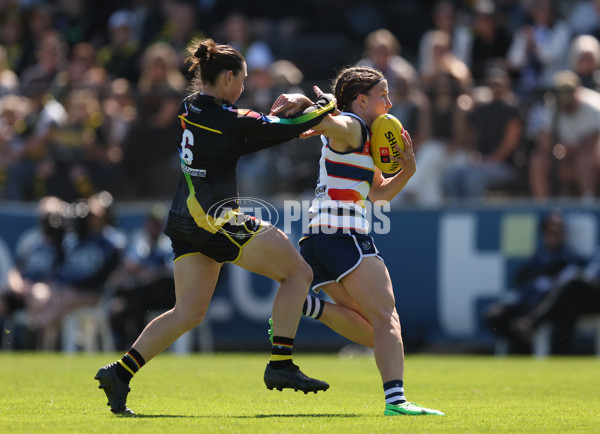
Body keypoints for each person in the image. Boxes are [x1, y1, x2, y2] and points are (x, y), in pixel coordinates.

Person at [94, 38, 336, 415]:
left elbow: (235, 144)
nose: (243, 89)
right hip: (215, 220)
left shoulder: (192, 108)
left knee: (188, 311)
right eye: (240, 81)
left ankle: (120, 373)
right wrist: (325, 104)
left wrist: (277, 128)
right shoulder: (228, 117)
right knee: (298, 274)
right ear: (227, 77)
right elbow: (288, 126)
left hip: (183, 222)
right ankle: (281, 364)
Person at [271, 65, 444, 416]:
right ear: (362, 100)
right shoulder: (355, 125)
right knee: (388, 319)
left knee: (371, 331)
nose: (390, 102)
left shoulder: (365, 135)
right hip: (344, 235)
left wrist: (407, 171)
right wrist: (311, 104)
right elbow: (328, 123)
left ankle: (304, 306)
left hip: (319, 238)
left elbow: (378, 196)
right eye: (383, 95)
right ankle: (396, 402)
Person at [485, 210, 584, 353]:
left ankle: (525, 338)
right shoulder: (538, 256)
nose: (553, 235)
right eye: (550, 230)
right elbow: (520, 277)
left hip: (546, 306)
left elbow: (566, 282)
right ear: (543, 233)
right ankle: (521, 343)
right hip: (527, 300)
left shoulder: (567, 257)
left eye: (558, 231)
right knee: (494, 316)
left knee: (530, 322)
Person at [512, 246, 600, 354]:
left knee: (573, 284)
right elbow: (590, 273)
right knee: (569, 305)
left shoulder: (567, 254)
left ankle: (533, 321)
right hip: (589, 295)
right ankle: (559, 355)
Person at [528, 70, 600, 199]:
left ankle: (587, 202)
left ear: (577, 92)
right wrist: (558, 151)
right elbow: (545, 138)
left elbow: (592, 144)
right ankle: (542, 206)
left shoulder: (595, 106)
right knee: (538, 160)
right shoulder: (552, 106)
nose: (566, 102)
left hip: (588, 156)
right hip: (562, 155)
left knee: (585, 161)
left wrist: (567, 150)